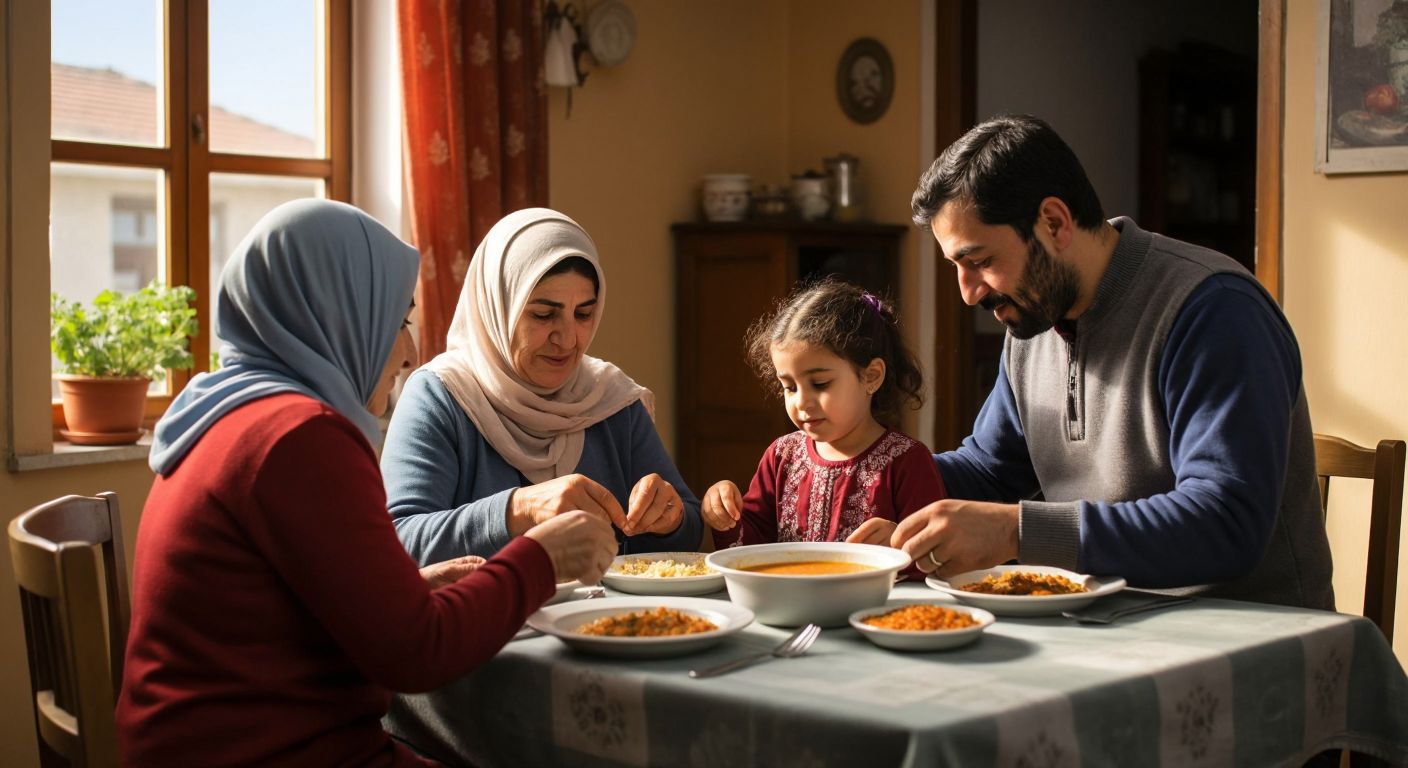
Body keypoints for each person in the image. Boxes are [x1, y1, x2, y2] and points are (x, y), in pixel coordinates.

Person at [117, 199, 617, 767]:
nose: (407, 353)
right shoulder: (299, 437)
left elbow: (276, 610)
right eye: (398, 321)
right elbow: (416, 654)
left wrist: (409, 588)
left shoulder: (228, 413)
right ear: (337, 315)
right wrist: (541, 559)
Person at [896, 114, 1333, 609]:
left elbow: (1226, 523)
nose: (968, 291)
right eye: (957, 266)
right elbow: (991, 470)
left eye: (980, 261)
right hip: (1096, 624)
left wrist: (1017, 530)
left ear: (1054, 223)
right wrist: (875, 472)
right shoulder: (1035, 318)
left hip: (1249, 641)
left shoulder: (1215, 310)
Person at [382, 208, 703, 566]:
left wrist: (669, 519)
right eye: (543, 314)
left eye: (583, 315)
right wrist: (518, 508)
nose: (567, 339)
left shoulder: (610, 399)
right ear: (498, 308)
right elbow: (399, 542)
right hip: (488, 621)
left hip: (600, 618)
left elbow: (688, 530)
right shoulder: (440, 396)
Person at [702, 278, 946, 548]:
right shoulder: (781, 457)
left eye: (820, 384)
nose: (802, 402)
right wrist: (725, 516)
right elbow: (750, 548)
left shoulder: (906, 462)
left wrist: (899, 544)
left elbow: (936, 556)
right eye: (789, 387)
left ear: (871, 376)